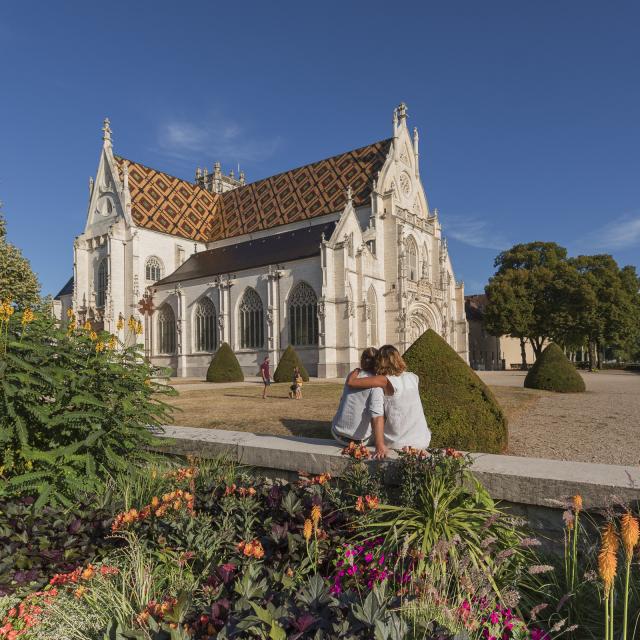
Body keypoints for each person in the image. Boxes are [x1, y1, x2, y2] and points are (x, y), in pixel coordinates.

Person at [346, 344, 430, 457]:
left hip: (399, 443)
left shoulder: (384, 381)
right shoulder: (413, 377)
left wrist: (357, 370)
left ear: (381, 361)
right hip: (422, 440)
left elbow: (351, 382)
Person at [331, 348, 385, 456]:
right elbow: (377, 416)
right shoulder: (376, 383)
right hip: (358, 442)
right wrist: (380, 445)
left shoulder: (352, 375)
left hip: (337, 434)